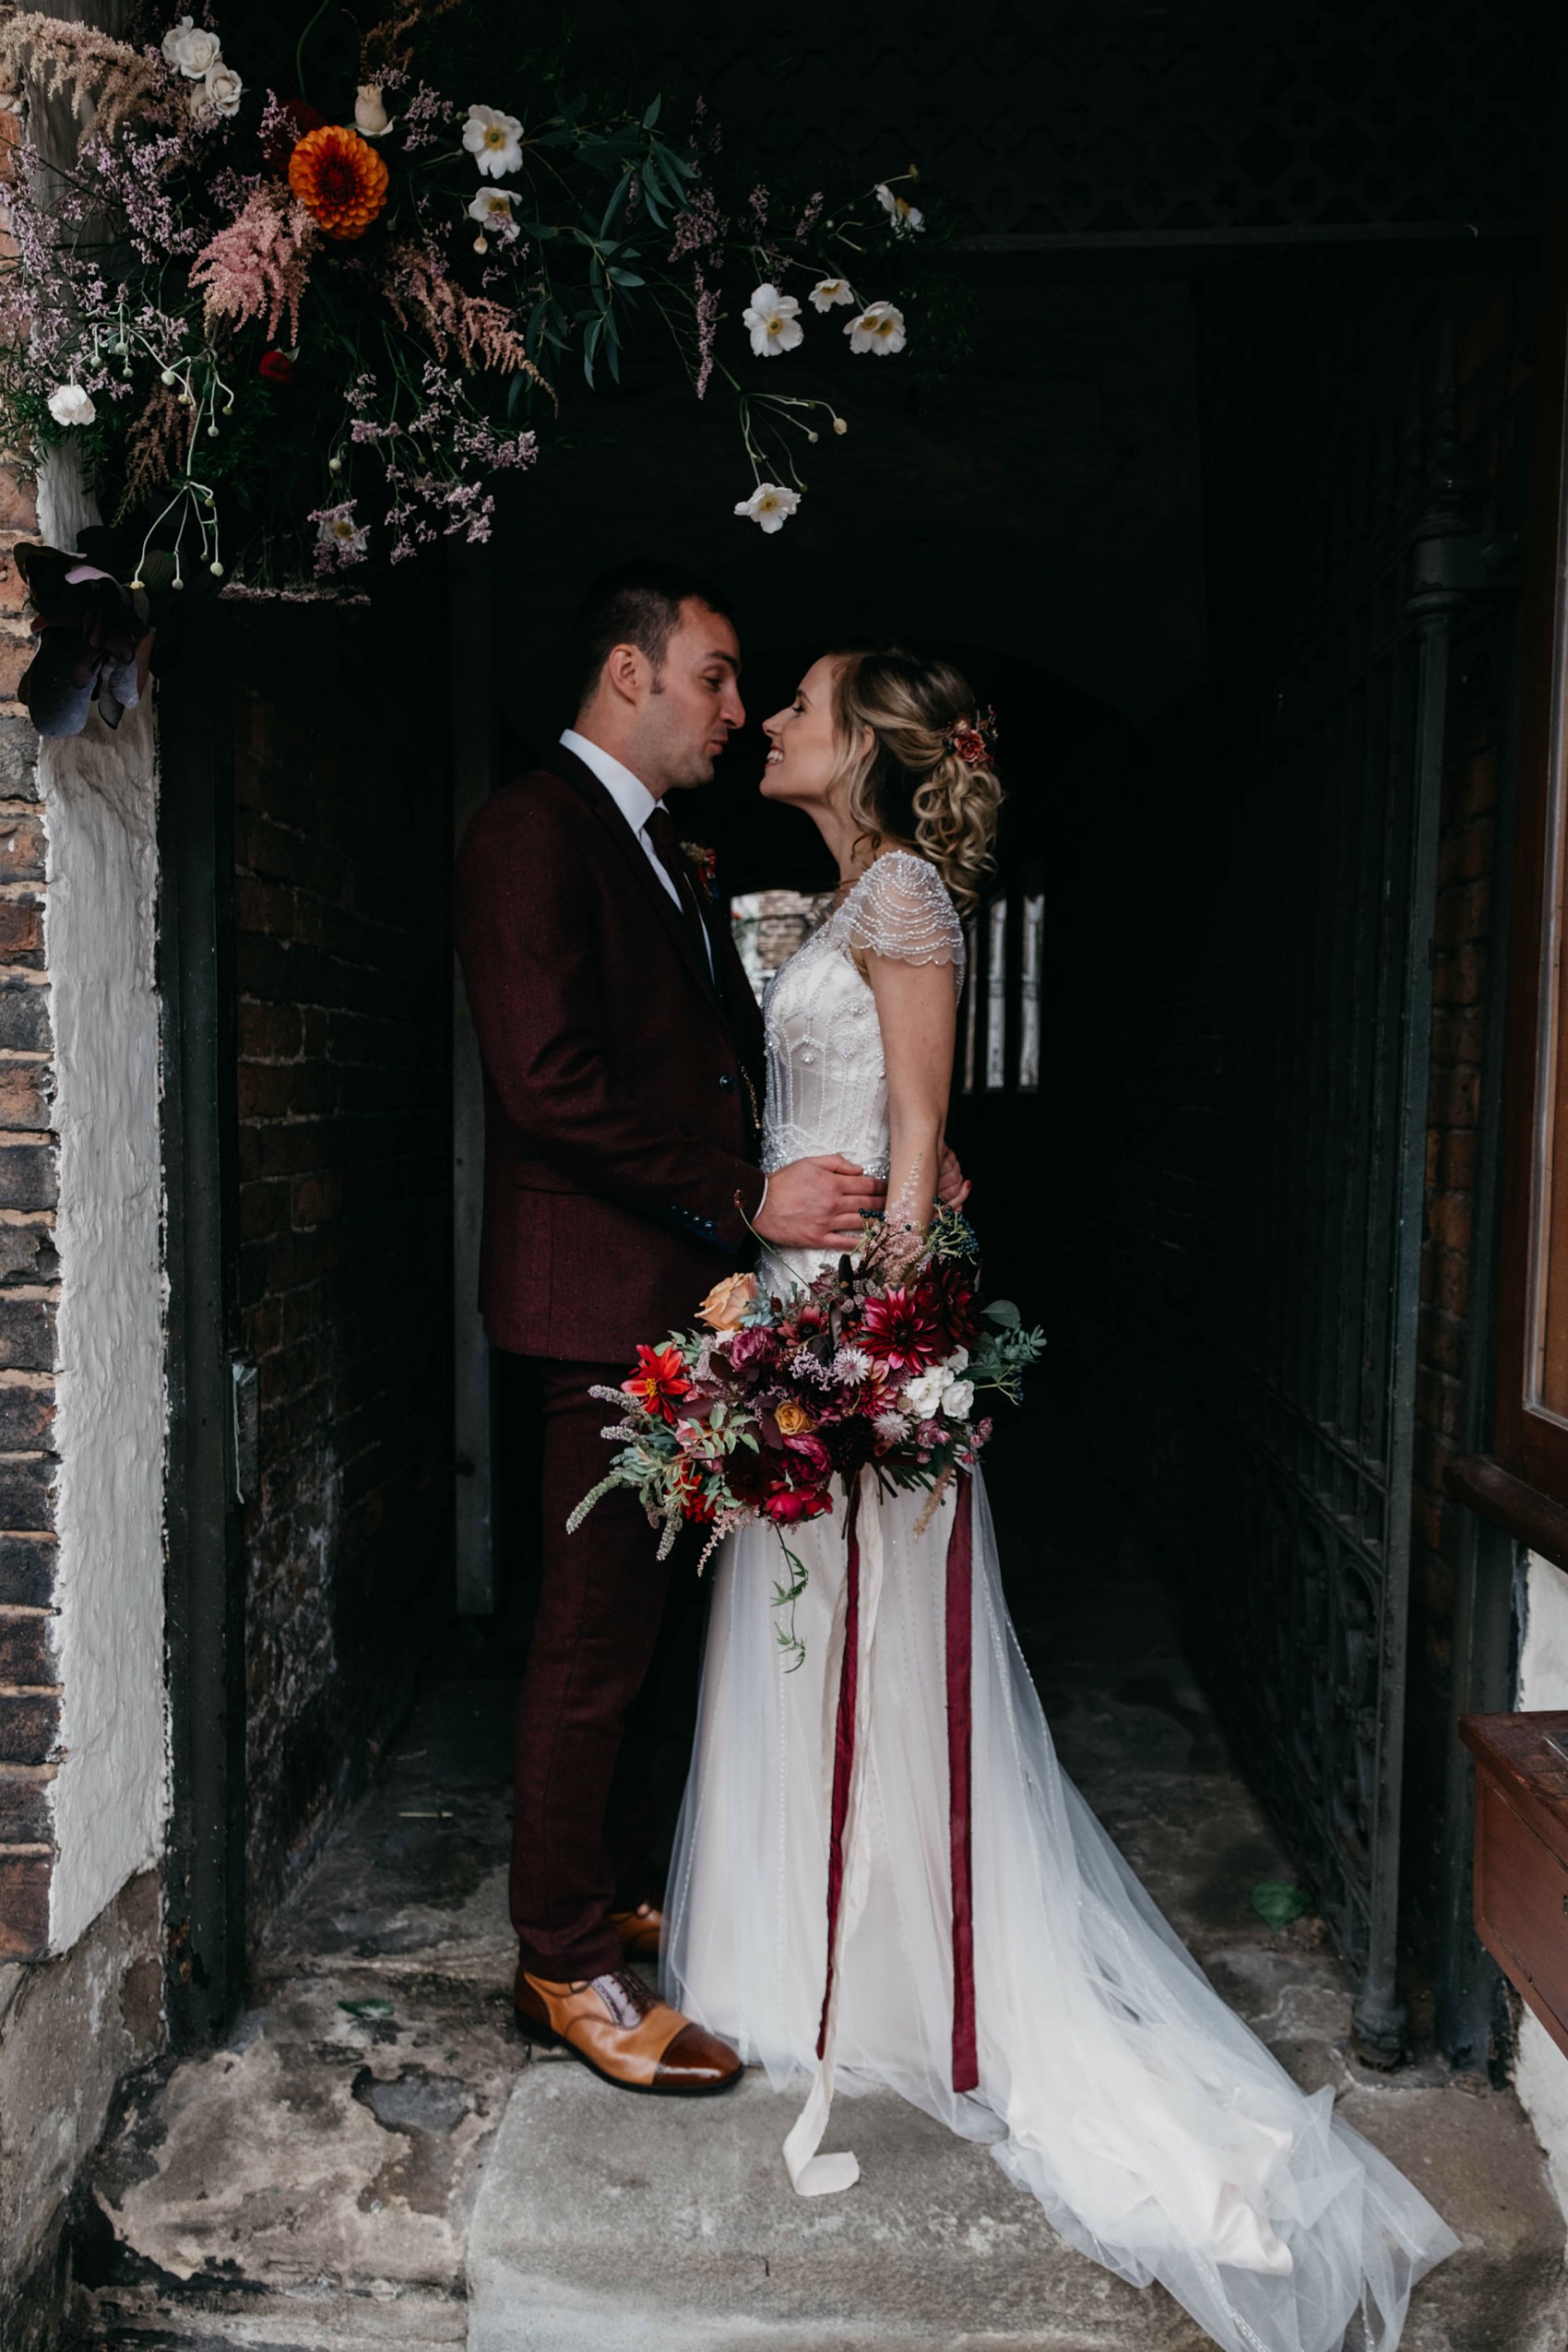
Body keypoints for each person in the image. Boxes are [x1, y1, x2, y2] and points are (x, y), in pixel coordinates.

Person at [665, 645, 1459, 2351]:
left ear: (863, 749)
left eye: (798, 699)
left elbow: (928, 1178)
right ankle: (797, 1952)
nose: (773, 720)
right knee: (798, 1658)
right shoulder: (836, 897)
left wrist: (877, 1367)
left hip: (852, 1349)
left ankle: (890, 1972)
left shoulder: (903, 903)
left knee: (869, 1660)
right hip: (790, 1319)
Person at [453, 564, 965, 2097]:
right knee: (593, 1635)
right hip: (597, 1300)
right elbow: (547, 1084)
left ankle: (605, 1891)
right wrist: (748, 1195)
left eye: (759, 691)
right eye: (721, 678)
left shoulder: (661, 847)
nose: (739, 712)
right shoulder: (532, 830)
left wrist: (896, 1142)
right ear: (631, 673)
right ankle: (563, 1960)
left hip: (698, 1307)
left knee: (648, 1629)